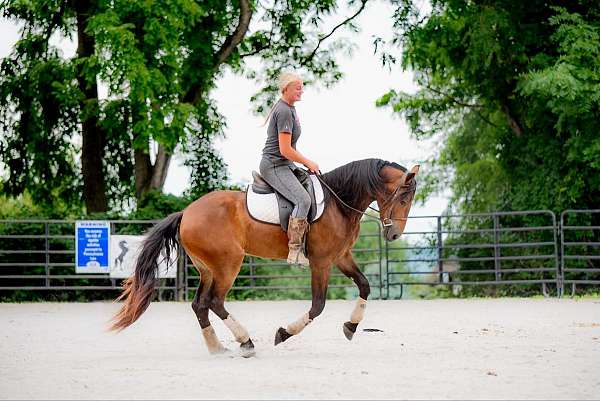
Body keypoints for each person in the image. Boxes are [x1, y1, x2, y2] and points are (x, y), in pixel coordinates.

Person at [259, 72, 319, 266]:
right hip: (275, 165)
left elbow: (290, 147)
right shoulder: (284, 111)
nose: (301, 90)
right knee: (303, 199)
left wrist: (303, 162)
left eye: (302, 87)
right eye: (297, 87)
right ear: (286, 89)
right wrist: (307, 162)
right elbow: (285, 150)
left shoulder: (290, 108)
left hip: (285, 164)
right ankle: (294, 250)